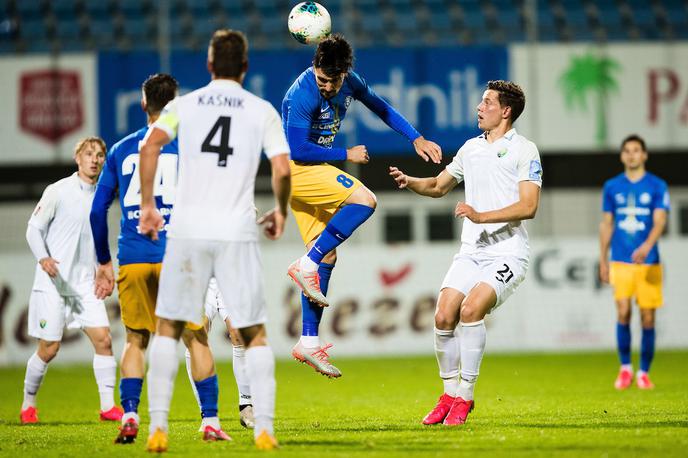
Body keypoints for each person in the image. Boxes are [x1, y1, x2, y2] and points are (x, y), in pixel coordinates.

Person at [138, 29, 291, 452]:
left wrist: (149, 205)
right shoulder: (260, 110)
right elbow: (281, 167)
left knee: (168, 327)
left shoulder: (183, 105)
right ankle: (263, 428)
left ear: (209, 66)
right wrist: (280, 210)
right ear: (245, 67)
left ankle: (159, 427)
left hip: (188, 229)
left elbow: (150, 148)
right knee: (253, 331)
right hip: (236, 232)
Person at [89, 73, 244, 444]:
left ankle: (129, 413)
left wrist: (104, 262)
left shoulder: (121, 149)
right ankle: (209, 422)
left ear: (143, 104)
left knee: (135, 340)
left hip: (135, 256)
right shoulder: (189, 147)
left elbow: (97, 212)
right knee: (197, 340)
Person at [282, 34, 442, 378]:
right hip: (297, 171)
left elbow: (381, 107)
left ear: (345, 73)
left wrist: (416, 137)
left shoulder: (350, 81)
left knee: (327, 256)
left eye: (333, 81)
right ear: (314, 68)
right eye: (322, 79)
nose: (327, 87)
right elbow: (297, 150)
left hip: (312, 173)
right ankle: (304, 263)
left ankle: (308, 342)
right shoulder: (302, 94)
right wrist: (346, 154)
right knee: (365, 200)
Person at [389, 80, 542, 426]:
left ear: (506, 111)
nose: (479, 107)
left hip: (508, 252)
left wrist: (480, 216)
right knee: (443, 316)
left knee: (471, 310)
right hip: (471, 251)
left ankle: (466, 397)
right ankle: (447, 394)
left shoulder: (525, 150)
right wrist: (410, 180)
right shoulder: (470, 148)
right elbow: (439, 186)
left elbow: (529, 206)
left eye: (487, 102)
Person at [20, 137, 123, 425]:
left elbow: (97, 239)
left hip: (84, 285)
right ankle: (28, 404)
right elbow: (33, 230)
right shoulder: (58, 191)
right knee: (49, 349)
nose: (95, 159)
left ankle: (107, 407)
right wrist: (43, 258)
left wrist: (103, 268)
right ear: (78, 158)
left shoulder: (104, 195)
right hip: (54, 283)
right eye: (89, 154)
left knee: (103, 340)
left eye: (100, 155)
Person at [599, 134, 669, 390]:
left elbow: (661, 220)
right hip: (620, 260)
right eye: (627, 150)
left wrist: (647, 245)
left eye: (636, 150)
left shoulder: (657, 185)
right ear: (622, 156)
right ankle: (626, 368)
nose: (631, 154)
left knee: (648, 318)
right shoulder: (612, 186)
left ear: (644, 155)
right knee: (623, 312)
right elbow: (606, 224)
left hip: (649, 262)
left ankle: (644, 372)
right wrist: (602, 259)